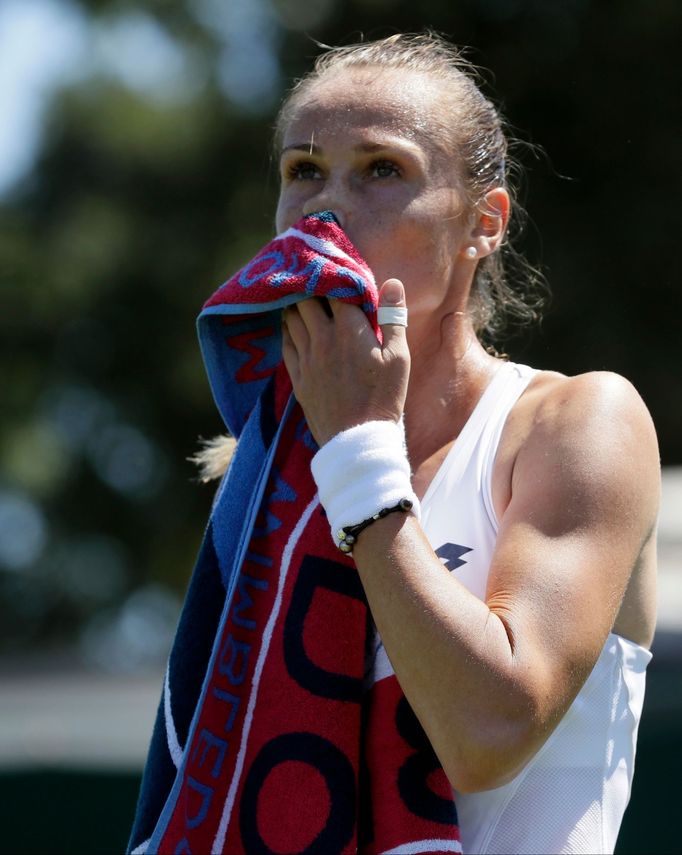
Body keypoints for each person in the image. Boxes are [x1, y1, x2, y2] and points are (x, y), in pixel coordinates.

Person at [131, 33, 659, 855]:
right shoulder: (272, 472)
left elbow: (490, 729)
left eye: (382, 168)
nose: (324, 209)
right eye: (303, 170)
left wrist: (360, 454)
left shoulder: (579, 421)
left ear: (483, 223)